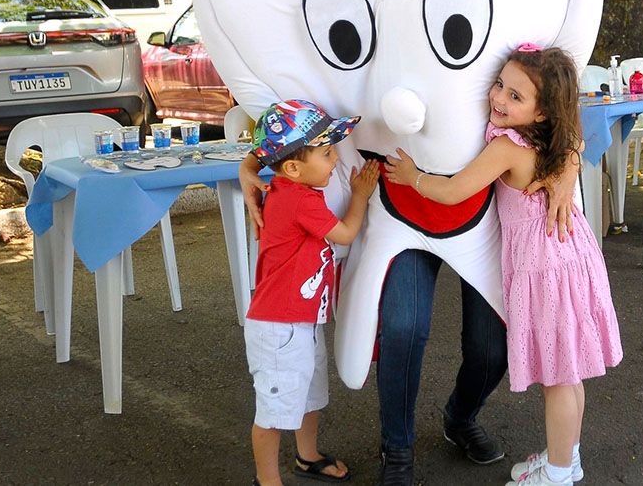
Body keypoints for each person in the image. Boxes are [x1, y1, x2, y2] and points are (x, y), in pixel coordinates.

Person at [239, 93, 579, 486]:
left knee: (491, 345)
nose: (502, 94)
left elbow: (560, 111)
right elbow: (294, 87)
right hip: (398, 214)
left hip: (478, 219)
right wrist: (251, 163)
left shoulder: (504, 107)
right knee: (402, 327)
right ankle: (396, 445)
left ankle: (461, 417)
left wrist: (569, 166)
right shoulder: (297, 194)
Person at [384, 44, 623, 486]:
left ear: (540, 112)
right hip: (570, 256)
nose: (499, 98)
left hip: (545, 265)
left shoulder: (509, 147)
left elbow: (455, 190)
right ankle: (566, 458)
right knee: (569, 374)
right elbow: (577, 142)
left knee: (559, 377)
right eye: (499, 85)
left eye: (516, 96)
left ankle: (555, 475)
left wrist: (413, 177)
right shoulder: (555, 136)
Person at [244, 99, 379, 486]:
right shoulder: (299, 200)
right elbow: (347, 233)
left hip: (299, 321)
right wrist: (361, 195)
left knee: (307, 394)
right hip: (279, 328)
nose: (335, 159)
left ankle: (307, 456)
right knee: (273, 411)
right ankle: (267, 480)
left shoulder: (291, 188)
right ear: (293, 167)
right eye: (326, 152)